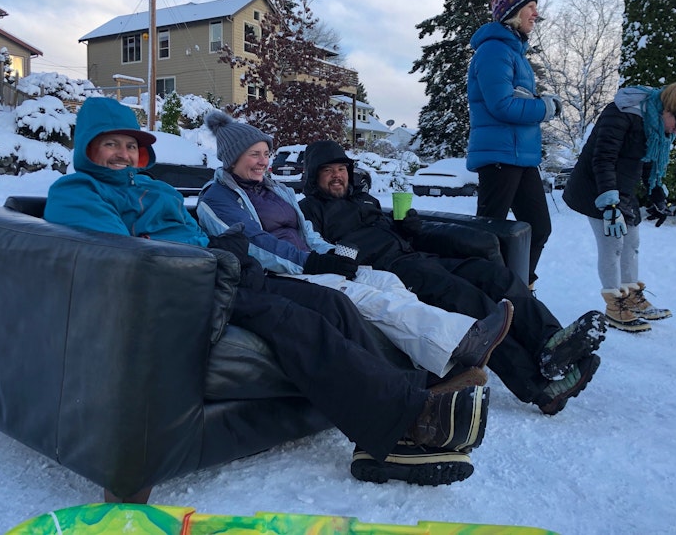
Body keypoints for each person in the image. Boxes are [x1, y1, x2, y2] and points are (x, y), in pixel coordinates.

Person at [42, 97, 492, 488]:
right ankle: (407, 423)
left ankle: (393, 410)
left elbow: (194, 233)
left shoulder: (157, 188)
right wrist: (212, 251)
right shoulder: (75, 192)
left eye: (130, 145)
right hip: (180, 285)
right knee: (291, 321)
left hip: (223, 268)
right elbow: (117, 253)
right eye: (110, 144)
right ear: (88, 148)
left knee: (330, 301)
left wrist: (224, 250)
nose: (122, 154)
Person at [197, 110, 514, 385]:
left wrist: (333, 254)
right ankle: (463, 340)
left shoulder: (276, 189)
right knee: (365, 297)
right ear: (233, 157)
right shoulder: (217, 198)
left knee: (387, 281)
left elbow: (306, 231)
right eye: (255, 154)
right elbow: (256, 244)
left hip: (311, 263)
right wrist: (314, 264)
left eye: (266, 153)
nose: (264, 161)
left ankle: (437, 362)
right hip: (282, 275)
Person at [299, 139, 606, 416]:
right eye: (328, 170)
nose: (338, 175)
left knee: (497, 277)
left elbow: (392, 231)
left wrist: (408, 228)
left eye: (342, 168)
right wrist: (350, 254)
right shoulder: (308, 211)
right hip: (386, 272)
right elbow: (316, 250)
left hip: (417, 257)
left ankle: (551, 343)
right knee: (471, 303)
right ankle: (539, 387)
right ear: (314, 175)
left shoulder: (364, 201)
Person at [562, 82, 676, 333]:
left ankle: (631, 297)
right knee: (613, 244)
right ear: (668, 110)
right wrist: (609, 202)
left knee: (632, 241)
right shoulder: (622, 112)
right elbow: (603, 158)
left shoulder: (655, 122)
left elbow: (648, 158)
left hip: (622, 187)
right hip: (596, 186)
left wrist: (656, 191)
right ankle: (614, 305)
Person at [467, 0, 561, 291]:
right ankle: (484, 294)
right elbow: (502, 105)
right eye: (530, 6)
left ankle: (518, 289)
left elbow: (513, 100)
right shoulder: (493, 50)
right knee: (487, 234)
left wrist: (533, 102)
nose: (536, 13)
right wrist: (543, 107)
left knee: (537, 228)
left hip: (521, 156)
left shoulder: (514, 53)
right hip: (499, 155)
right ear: (511, 12)